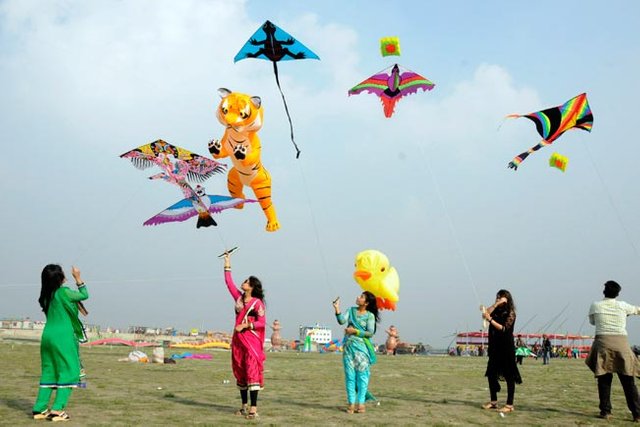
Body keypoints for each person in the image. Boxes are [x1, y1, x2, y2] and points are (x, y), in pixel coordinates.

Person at [32, 264, 88, 421]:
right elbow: (84, 294)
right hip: (63, 337)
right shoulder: (63, 293)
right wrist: (78, 277)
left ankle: (40, 408)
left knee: (49, 370)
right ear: (60, 278)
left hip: (48, 336)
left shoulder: (45, 296)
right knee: (69, 371)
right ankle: (57, 410)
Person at [585, 280, 640, 421]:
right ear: (618, 293)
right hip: (622, 344)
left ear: (604, 291)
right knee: (628, 381)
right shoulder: (623, 306)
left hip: (603, 343)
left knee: (604, 379)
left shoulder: (596, 305)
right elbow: (637, 310)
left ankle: (606, 411)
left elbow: (593, 322)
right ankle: (637, 413)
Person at [222, 251, 266, 420]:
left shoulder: (257, 303)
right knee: (240, 371)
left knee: (252, 371)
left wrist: (246, 325)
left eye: (247, 281)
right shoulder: (239, 299)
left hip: (251, 341)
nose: (244, 282)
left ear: (252, 286)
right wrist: (227, 262)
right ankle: (243, 406)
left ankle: (254, 408)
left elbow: (262, 322)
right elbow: (228, 282)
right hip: (238, 341)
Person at [333, 292, 379, 414]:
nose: (358, 297)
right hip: (348, 348)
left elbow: (370, 333)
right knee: (350, 377)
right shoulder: (351, 310)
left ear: (367, 303)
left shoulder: (370, 316)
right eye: (359, 296)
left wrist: (355, 331)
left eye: (362, 297)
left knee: (362, 377)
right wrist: (337, 309)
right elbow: (342, 321)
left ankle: (361, 404)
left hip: (362, 350)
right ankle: (351, 405)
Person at [482, 289, 522, 413]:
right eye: (497, 297)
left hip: (506, 347)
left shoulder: (511, 313)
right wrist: (495, 305)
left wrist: (490, 320)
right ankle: (493, 401)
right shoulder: (496, 310)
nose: (498, 299)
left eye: (501, 298)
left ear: (507, 299)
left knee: (509, 375)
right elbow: (485, 313)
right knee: (491, 374)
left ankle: (509, 404)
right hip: (494, 347)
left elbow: (504, 329)